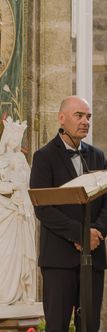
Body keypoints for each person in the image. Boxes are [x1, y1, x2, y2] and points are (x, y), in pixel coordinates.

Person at [29, 96, 107, 332]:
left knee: (90, 329)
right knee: (56, 329)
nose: (85, 121)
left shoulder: (96, 155)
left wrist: (96, 232)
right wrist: (78, 233)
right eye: (79, 115)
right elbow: (43, 207)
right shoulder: (44, 157)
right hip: (59, 258)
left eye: (88, 116)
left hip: (92, 257)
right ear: (61, 118)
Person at [0, 117, 37, 306]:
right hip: (6, 212)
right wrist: (12, 186)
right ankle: (6, 292)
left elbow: (29, 182)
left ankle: (23, 290)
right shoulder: (1, 160)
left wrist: (22, 189)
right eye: (12, 138)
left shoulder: (21, 158)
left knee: (23, 253)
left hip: (23, 210)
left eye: (18, 139)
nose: (15, 142)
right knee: (7, 254)